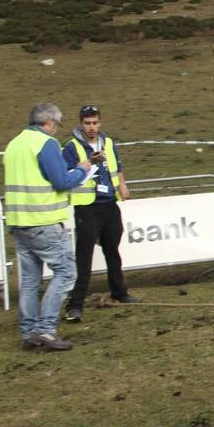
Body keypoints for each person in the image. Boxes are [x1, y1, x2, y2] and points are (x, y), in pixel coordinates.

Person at [3, 103, 94, 351]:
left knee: (31, 280)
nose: (57, 129)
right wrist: (82, 170)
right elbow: (61, 181)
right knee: (66, 273)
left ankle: (29, 332)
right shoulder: (46, 144)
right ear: (49, 122)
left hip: (19, 222)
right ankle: (46, 330)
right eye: (57, 124)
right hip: (43, 221)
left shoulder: (15, 144)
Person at [62, 104, 136, 322]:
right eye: (87, 123)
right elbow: (66, 174)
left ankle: (119, 292)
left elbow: (117, 167)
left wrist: (122, 185)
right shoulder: (71, 147)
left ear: (100, 123)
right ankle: (75, 305)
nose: (91, 127)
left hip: (109, 203)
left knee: (112, 249)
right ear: (81, 123)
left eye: (95, 123)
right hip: (87, 206)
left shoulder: (109, 143)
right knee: (84, 256)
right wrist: (87, 163)